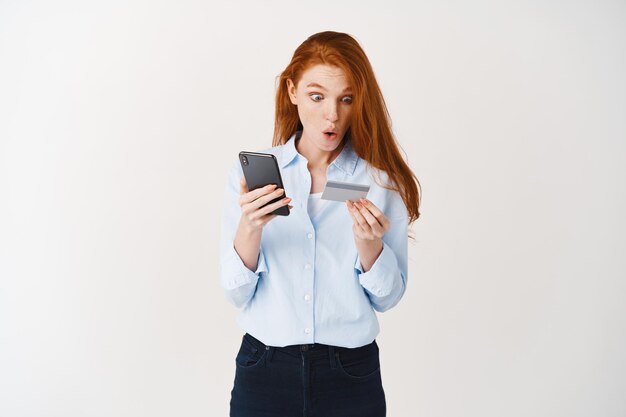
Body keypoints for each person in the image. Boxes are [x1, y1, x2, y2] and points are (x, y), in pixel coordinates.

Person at [219, 31, 421, 417]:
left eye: (346, 99)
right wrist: (250, 227)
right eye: (317, 96)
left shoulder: (377, 180)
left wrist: (370, 247)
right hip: (265, 370)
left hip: (349, 374)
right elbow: (235, 293)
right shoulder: (257, 174)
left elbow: (388, 298)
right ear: (292, 91)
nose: (332, 114)